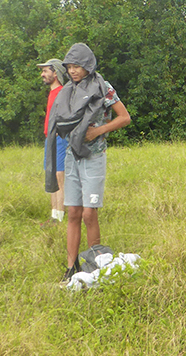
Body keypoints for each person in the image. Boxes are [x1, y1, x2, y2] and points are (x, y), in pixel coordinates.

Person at [45, 43, 131, 283]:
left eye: (77, 67)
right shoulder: (68, 91)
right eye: (69, 67)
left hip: (94, 157)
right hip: (72, 156)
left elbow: (125, 117)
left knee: (89, 214)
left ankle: (96, 267)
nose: (73, 71)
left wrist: (98, 131)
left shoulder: (104, 88)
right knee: (73, 212)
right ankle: (71, 267)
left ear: (88, 66)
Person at [37, 58, 69, 226]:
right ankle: (53, 217)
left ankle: (60, 217)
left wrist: (60, 133)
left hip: (59, 139)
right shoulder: (52, 92)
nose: (42, 74)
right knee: (50, 175)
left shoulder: (63, 92)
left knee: (59, 176)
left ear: (55, 73)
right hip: (50, 139)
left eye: (45, 71)